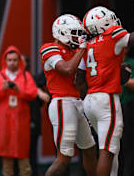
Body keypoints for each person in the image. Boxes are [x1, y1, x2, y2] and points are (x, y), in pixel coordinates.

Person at [77, 0, 134, 176]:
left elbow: (79, 79)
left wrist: (111, 72)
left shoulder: (87, 43)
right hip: (106, 100)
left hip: (89, 100)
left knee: (113, 151)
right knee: (107, 150)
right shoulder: (112, 35)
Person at [39, 14, 97, 176]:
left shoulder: (75, 52)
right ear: (61, 32)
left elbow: (79, 82)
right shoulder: (49, 48)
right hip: (62, 103)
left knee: (90, 149)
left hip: (76, 102)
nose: (77, 37)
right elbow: (66, 69)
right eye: (74, 33)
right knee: (64, 157)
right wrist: (82, 51)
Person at [0, 46, 38, 176]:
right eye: (9, 60)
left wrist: (18, 90)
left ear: (19, 60)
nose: (12, 62)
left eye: (15, 60)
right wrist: (2, 89)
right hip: (5, 122)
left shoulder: (26, 75)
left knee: (23, 157)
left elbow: (33, 93)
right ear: (5, 61)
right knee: (6, 157)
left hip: (21, 121)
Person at [118, 51, 134, 176]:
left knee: (130, 145)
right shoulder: (109, 60)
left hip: (129, 107)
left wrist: (120, 78)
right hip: (110, 106)